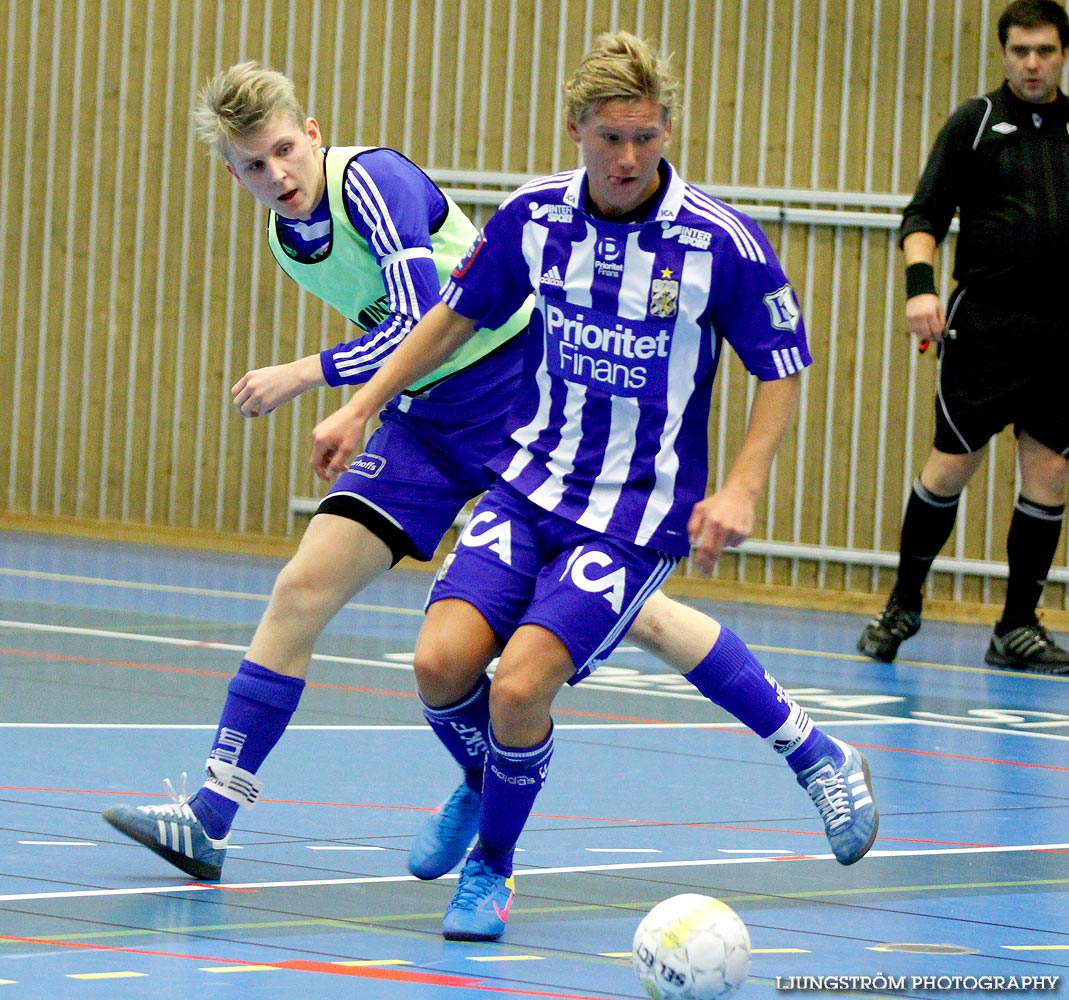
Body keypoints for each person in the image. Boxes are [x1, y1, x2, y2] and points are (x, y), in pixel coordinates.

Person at [101, 61, 873, 888]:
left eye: (284, 150)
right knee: (304, 588)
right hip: (428, 421)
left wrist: (313, 378)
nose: (277, 175)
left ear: (313, 133)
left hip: (519, 394)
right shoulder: (287, 234)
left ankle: (808, 746)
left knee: (631, 612)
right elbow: (413, 335)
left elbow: (416, 314)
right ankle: (216, 814)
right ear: (233, 173)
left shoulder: (373, 182)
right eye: (254, 166)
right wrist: (367, 405)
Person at [310, 32, 879, 943]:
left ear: (666, 133)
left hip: (632, 517)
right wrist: (359, 409)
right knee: (439, 664)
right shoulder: (533, 217)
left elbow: (780, 369)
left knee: (519, 687)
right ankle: (482, 786)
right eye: (611, 137)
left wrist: (739, 487)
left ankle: (491, 870)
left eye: (646, 138)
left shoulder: (718, 242)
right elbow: (450, 317)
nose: (628, 158)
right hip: (529, 482)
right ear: (575, 129)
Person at [858, 0, 1069, 675]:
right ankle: (901, 604)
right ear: (1003, 53)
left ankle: (1015, 628)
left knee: (1050, 470)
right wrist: (920, 288)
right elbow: (922, 214)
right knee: (951, 463)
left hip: (1060, 334)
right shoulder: (974, 124)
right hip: (983, 326)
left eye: (1043, 50)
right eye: (1018, 51)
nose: (1030, 63)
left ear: (1063, 54)